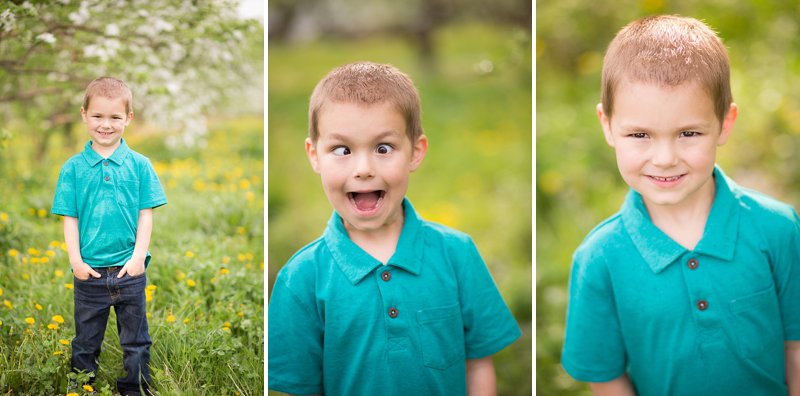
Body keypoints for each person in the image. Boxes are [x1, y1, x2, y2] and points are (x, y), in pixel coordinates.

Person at [561, 15, 800, 395]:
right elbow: (605, 378)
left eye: (688, 133)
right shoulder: (600, 258)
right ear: (607, 125)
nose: (665, 158)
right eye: (640, 135)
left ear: (725, 123)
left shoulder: (778, 229)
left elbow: (795, 349)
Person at [268, 62, 521, 395]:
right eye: (342, 150)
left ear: (415, 152)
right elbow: (302, 387)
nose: (363, 169)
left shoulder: (457, 254)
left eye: (383, 148)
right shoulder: (302, 277)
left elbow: (478, 364)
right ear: (314, 155)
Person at [52, 76, 167, 396]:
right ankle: (81, 387)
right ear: (84, 115)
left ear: (128, 118)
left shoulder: (140, 165)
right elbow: (70, 219)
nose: (106, 124)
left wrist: (138, 258)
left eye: (115, 117)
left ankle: (135, 388)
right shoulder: (73, 169)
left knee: (136, 340)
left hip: (129, 270)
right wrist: (76, 261)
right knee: (85, 341)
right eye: (98, 116)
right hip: (89, 272)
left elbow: (146, 214)